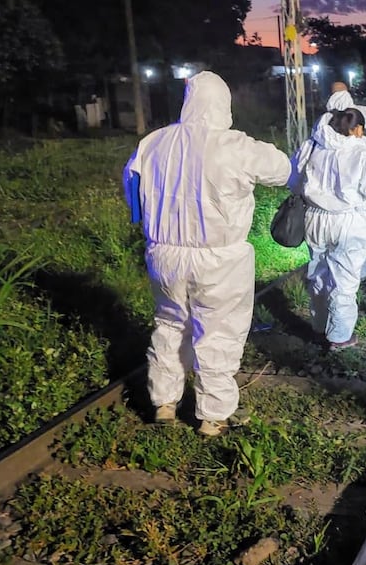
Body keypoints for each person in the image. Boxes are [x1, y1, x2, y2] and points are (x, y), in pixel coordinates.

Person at [123, 71, 292, 437]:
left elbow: (131, 185)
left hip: (164, 254)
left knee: (170, 325)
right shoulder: (236, 145)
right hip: (219, 258)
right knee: (218, 332)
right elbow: (282, 170)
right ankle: (212, 416)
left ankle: (164, 403)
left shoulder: (155, 141)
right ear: (224, 104)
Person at [294, 107, 366, 349]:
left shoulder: (313, 145)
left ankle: (319, 327)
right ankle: (340, 336)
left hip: (315, 219)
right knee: (344, 281)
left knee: (318, 273)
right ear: (357, 128)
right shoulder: (362, 151)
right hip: (349, 222)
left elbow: (293, 178)